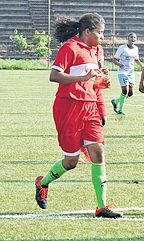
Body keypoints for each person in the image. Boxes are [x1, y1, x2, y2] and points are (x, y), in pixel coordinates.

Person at [34, 13, 122, 218]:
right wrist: (83, 77)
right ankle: (43, 182)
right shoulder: (70, 48)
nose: (102, 36)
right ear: (87, 32)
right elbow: (54, 76)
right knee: (71, 161)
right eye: (99, 33)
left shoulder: (98, 51)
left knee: (98, 153)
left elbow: (94, 82)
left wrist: (102, 106)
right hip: (68, 107)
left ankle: (102, 207)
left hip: (90, 107)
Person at [111, 32, 143, 115]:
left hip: (131, 72)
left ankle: (115, 101)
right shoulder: (122, 48)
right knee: (125, 90)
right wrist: (119, 64)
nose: (133, 39)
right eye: (131, 37)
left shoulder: (136, 49)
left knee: (130, 93)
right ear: (128, 38)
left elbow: (136, 59)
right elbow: (114, 59)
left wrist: (143, 66)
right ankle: (120, 110)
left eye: (134, 37)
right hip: (123, 72)